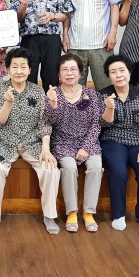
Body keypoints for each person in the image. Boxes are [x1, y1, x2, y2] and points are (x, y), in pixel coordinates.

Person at [0, 48, 60, 234]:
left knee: (51, 169)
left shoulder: (37, 90)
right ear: (8, 69)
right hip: (4, 141)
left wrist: (46, 148)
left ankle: (50, 216)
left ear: (29, 70)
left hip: (32, 142)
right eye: (14, 67)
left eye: (23, 67)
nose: (19, 71)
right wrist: (7, 104)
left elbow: (44, 122)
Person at [45, 54, 102, 233]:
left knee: (96, 165)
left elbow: (96, 124)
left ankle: (89, 212)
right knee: (69, 168)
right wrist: (53, 104)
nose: (69, 73)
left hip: (88, 142)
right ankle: (71, 212)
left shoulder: (90, 94)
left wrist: (86, 147)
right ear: (59, 75)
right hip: (63, 142)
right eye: (65, 70)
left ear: (80, 73)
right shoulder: (53, 94)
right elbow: (49, 122)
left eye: (73, 69)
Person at [98, 54, 139, 231]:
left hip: (138, 140)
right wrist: (109, 108)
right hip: (112, 139)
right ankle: (119, 215)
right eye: (113, 72)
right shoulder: (103, 95)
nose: (118, 75)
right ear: (109, 76)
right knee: (118, 172)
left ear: (129, 72)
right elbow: (103, 124)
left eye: (122, 70)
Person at [10, 0, 73, 91]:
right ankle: (29, 106)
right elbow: (17, 19)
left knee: (51, 79)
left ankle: (51, 105)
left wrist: (52, 16)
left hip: (51, 39)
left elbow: (66, 15)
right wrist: (23, 6)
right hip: (28, 40)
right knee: (27, 78)